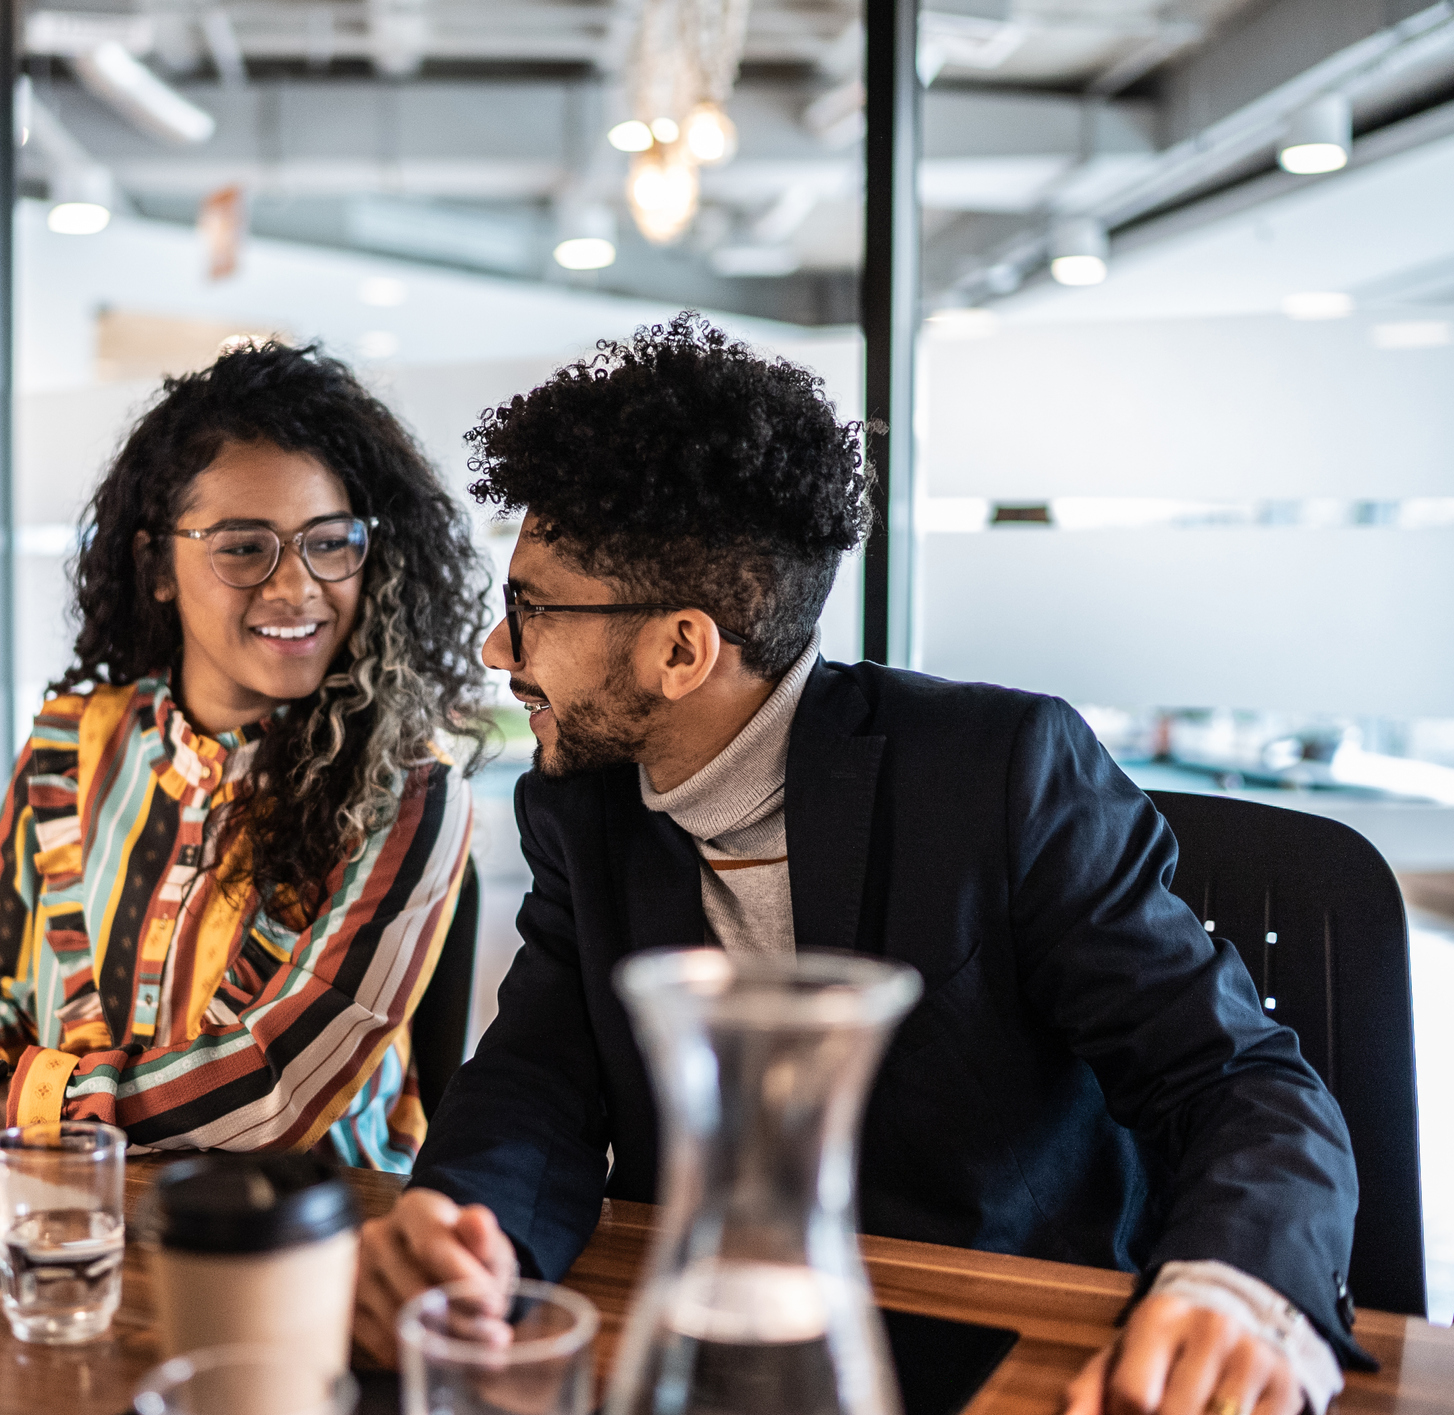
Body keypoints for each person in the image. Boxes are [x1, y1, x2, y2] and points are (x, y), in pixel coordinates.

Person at [352, 316, 1365, 1415]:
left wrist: (1236, 1288)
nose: (501, 649)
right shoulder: (582, 805)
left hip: (1009, 1347)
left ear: (682, 648)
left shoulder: (1001, 773)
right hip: (708, 1343)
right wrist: (467, 1233)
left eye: (530, 607)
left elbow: (1236, 1079)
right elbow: (541, 1082)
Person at [0, 341, 486, 1172]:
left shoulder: (407, 788)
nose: (298, 586)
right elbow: (13, 998)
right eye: (243, 547)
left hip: (310, 1237)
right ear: (158, 565)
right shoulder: (67, 746)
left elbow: (274, 1088)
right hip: (66, 1200)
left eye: (329, 542)